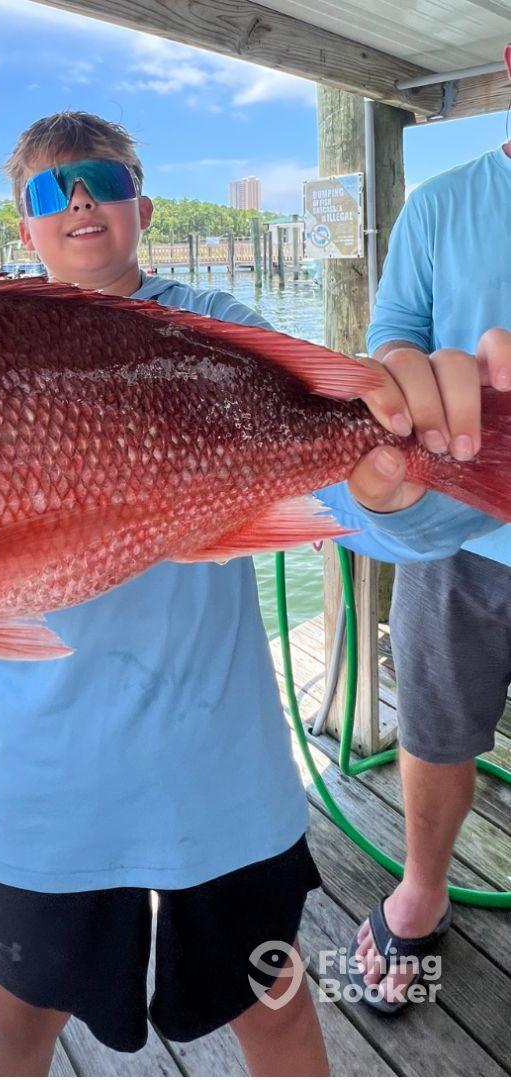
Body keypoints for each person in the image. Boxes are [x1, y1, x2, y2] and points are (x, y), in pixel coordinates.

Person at [0, 112, 509, 1073]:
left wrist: (397, 486)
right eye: (50, 190)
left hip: (226, 782)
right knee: (11, 1019)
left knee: (276, 1003)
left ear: (141, 208)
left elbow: (357, 510)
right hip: (45, 796)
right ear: (23, 226)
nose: (78, 200)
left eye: (100, 180)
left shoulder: (228, 337)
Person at [318, 44, 511, 1013]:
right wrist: (406, 375)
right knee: (436, 729)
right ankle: (421, 888)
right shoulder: (442, 199)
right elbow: (392, 326)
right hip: (457, 529)